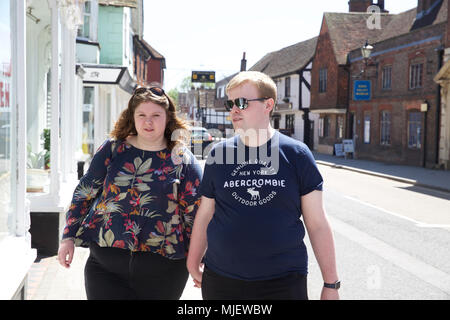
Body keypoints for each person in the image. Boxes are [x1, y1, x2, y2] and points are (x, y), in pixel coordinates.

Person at [187, 71, 340, 300]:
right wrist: (193, 259)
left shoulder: (296, 154)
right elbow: (206, 213)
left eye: (242, 103)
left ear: (268, 104)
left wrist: (331, 283)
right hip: (222, 279)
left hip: (283, 281)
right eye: (231, 104)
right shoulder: (218, 154)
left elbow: (317, 223)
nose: (234, 110)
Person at [58, 86, 202, 300]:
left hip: (164, 271)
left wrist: (197, 258)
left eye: (156, 115)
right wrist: (68, 237)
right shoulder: (113, 149)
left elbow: (196, 214)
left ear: (168, 118)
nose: (148, 122)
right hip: (106, 267)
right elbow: (85, 193)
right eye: (141, 115)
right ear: (132, 117)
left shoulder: (183, 159)